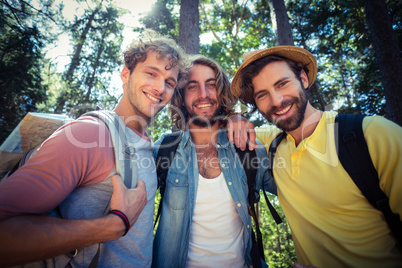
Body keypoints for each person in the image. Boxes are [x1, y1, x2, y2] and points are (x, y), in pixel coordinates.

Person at [0, 30, 187, 267]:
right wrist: (114, 224)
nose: (160, 88)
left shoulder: (147, 147)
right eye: (151, 73)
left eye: (169, 82)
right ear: (125, 74)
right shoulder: (91, 134)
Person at [228, 45, 402, 267]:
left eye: (282, 84)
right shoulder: (271, 141)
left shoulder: (374, 134)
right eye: (262, 95)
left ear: (303, 78)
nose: (277, 101)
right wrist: (234, 117)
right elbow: (216, 132)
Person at [152, 55, 276, 268]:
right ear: (180, 97)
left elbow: (300, 192)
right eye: (193, 87)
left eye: (211, 85)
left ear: (221, 92)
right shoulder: (164, 149)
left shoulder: (249, 150)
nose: (204, 95)